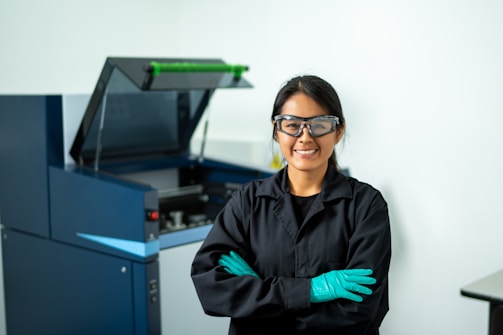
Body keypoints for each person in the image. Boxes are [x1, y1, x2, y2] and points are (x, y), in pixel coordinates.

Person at [191, 75, 391, 335]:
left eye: (319, 124)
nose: (305, 136)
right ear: (277, 132)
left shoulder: (366, 207)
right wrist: (310, 291)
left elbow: (358, 315)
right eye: (291, 124)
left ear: (338, 131)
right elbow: (212, 288)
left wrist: (260, 295)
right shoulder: (247, 202)